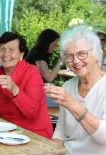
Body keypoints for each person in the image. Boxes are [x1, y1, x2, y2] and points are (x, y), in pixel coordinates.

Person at [0, 31, 53, 139]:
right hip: (7, 134)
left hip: (35, 135)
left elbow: (33, 113)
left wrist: (14, 89)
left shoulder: (32, 72)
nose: (6, 54)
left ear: (21, 55)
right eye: (2, 49)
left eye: (11, 50)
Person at [45, 25, 106, 154]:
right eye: (69, 56)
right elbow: (60, 131)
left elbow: (104, 137)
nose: (76, 61)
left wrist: (72, 104)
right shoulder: (68, 86)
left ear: (96, 54)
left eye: (82, 54)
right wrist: (52, 152)